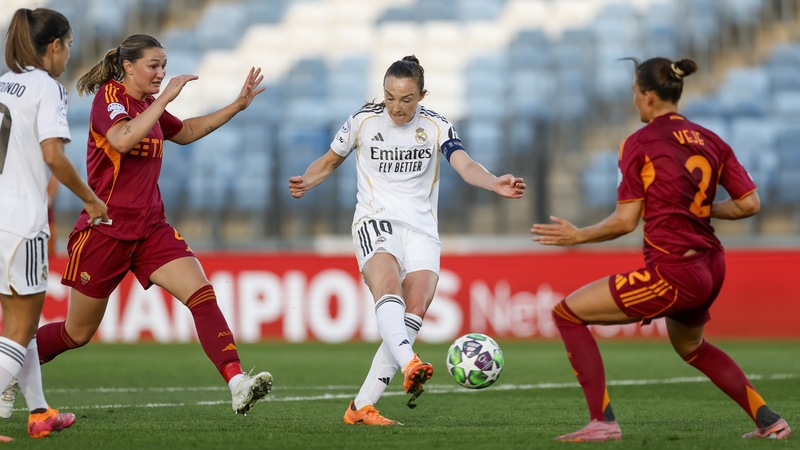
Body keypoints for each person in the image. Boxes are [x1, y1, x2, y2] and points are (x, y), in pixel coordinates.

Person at [531, 57, 792, 442]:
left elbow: (624, 221)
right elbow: (750, 204)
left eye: (634, 93)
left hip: (674, 270)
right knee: (693, 348)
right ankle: (769, 421)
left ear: (649, 97)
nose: (634, 100)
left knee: (567, 313)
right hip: (711, 264)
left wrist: (577, 236)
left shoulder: (640, 143)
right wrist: (702, 208)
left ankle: (602, 422)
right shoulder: (711, 139)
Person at [13, 34, 273, 417]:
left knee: (201, 293)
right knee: (76, 333)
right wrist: (165, 97)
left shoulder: (148, 104)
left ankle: (237, 383)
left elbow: (184, 132)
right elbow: (121, 139)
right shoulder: (110, 98)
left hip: (151, 228)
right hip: (105, 231)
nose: (161, 73)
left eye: (164, 65)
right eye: (154, 65)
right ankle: (11, 365)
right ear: (128, 66)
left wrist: (236, 106)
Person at [289, 55, 526, 425]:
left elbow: (464, 164)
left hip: (421, 230)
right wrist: (306, 180)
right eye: (389, 97)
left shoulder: (436, 126)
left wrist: (494, 181)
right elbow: (329, 161)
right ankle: (410, 363)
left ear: (422, 95)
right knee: (388, 288)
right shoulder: (362, 120)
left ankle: (361, 407)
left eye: (406, 99)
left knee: (413, 309)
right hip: (374, 220)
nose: (396, 107)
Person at [0, 7, 110, 440]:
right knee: (20, 327)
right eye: (68, 46)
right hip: (23, 221)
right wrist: (90, 198)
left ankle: (39, 411)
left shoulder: (3, 84)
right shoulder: (47, 88)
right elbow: (53, 156)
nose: (69, 56)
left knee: (18, 323)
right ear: (54, 46)